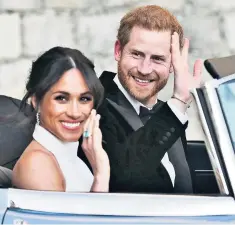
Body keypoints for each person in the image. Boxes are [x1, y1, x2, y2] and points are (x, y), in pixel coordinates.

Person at [78, 5, 203, 193]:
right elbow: (124, 181)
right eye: (136, 54)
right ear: (118, 51)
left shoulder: (167, 112)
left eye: (158, 59)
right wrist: (179, 101)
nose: (144, 69)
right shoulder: (91, 105)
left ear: (172, 64)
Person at [12, 47, 110, 192]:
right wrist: (101, 176)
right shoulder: (38, 164)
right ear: (36, 101)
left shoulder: (70, 159)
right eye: (61, 98)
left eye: (84, 99)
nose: (75, 113)